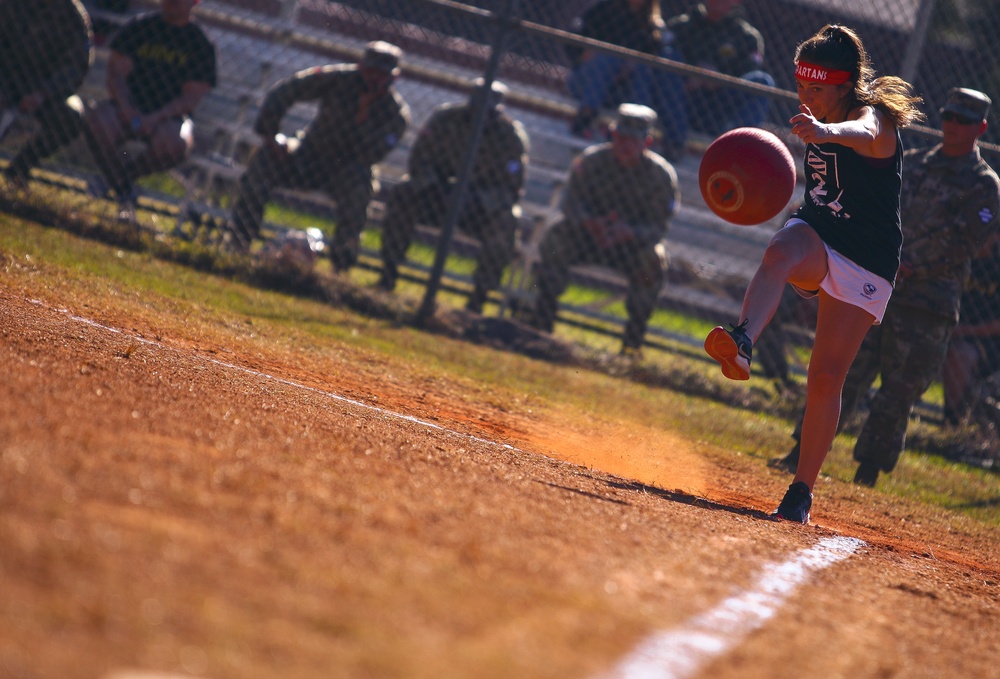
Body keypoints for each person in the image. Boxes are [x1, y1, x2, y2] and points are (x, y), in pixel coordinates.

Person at [703, 24, 924, 523]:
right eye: (802, 86)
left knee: (824, 378)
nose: (806, 97)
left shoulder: (873, 120)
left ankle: (801, 490)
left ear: (845, 85)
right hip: (819, 233)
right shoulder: (817, 114)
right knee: (780, 250)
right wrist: (817, 127)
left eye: (817, 89)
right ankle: (743, 339)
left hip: (866, 257)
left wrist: (826, 131)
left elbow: (863, 133)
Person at [771, 87, 1000, 486]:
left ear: (980, 127)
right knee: (843, 370)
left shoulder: (984, 184)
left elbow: (969, 241)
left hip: (926, 301)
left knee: (900, 388)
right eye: (948, 116)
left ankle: (869, 471)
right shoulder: (909, 163)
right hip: (874, 281)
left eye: (963, 120)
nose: (952, 125)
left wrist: (910, 264)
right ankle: (800, 452)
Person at [224, 41, 409, 270]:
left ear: (394, 78)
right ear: (361, 66)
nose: (374, 79)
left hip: (347, 169)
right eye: (371, 71)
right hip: (308, 155)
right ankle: (239, 244)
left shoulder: (396, 113)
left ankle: (340, 268)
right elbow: (285, 91)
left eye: (381, 75)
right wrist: (272, 136)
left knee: (360, 190)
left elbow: (373, 154)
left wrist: (362, 115)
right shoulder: (339, 79)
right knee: (264, 161)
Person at [526, 103, 679, 354]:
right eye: (620, 137)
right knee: (555, 237)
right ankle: (541, 325)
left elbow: (659, 226)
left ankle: (632, 342)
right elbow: (570, 204)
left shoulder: (661, 175)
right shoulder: (591, 161)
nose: (624, 145)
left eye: (632, 140)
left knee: (654, 259)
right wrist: (589, 222)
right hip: (586, 238)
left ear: (647, 142)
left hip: (630, 248)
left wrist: (630, 232)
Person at [377, 79, 529, 313]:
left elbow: (513, 187)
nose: (482, 115)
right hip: (436, 197)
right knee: (403, 193)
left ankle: (479, 297)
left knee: (506, 222)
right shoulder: (445, 118)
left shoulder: (509, 135)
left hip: (479, 211)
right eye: (478, 108)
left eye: (489, 111)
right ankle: (388, 273)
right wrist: (436, 186)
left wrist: (480, 200)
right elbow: (419, 159)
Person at [82, 0, 217, 220]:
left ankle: (120, 180)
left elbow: (191, 96)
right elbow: (116, 74)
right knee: (99, 122)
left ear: (195, 3)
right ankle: (123, 188)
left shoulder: (200, 43)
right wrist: (127, 108)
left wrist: (156, 118)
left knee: (176, 143)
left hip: (168, 117)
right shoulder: (141, 27)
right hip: (126, 107)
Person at [564, 0, 686, 159]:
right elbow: (572, 41)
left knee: (642, 70)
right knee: (607, 58)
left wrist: (630, 66)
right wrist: (583, 54)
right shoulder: (604, 10)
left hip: (618, 93)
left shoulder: (651, 25)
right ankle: (584, 119)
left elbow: (655, 58)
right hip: (586, 84)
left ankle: (636, 130)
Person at [0, 0, 93, 192]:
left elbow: (77, 66)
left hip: (45, 90)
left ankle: (19, 169)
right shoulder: (10, 5)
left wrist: (44, 92)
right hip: (6, 81)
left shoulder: (73, 15)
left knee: (71, 116)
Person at [663, 0, 775, 140]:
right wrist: (691, 75)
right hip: (681, 99)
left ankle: (734, 145)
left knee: (762, 81)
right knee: (667, 55)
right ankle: (674, 140)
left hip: (720, 106)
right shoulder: (680, 26)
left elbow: (749, 73)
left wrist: (718, 79)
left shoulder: (748, 38)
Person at [943, 231, 1000, 425]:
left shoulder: (995, 266)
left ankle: (952, 422)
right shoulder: (960, 258)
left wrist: (963, 330)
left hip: (987, 342)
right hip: (946, 326)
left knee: (961, 354)